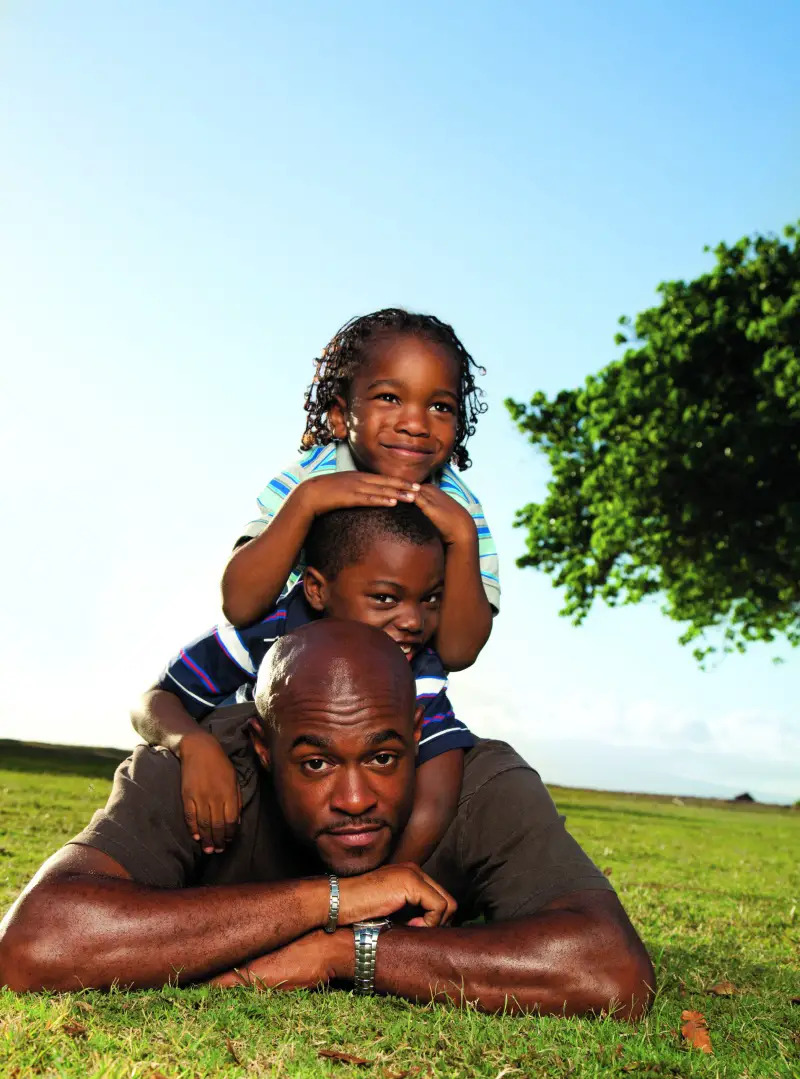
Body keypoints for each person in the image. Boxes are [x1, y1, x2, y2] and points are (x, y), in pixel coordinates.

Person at [0, 622, 654, 1017]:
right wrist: (333, 899)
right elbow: (36, 945)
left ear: (416, 730)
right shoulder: (203, 766)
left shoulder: (479, 779)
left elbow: (611, 971)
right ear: (262, 746)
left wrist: (344, 950)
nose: (356, 797)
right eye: (315, 763)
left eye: (383, 755)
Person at [133, 503, 474, 863]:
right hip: (230, 817)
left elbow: (438, 787)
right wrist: (193, 745)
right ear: (315, 589)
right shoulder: (261, 635)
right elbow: (153, 702)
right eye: (385, 598)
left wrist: (385, 886)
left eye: (431, 599)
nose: (413, 621)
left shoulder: (417, 667)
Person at [221, 308, 498, 673]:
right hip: (287, 679)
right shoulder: (309, 479)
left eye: (439, 406)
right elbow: (239, 605)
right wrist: (306, 504)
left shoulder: (459, 507)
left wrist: (463, 539)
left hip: (392, 695)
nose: (415, 424)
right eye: (389, 397)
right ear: (340, 416)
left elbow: (458, 653)